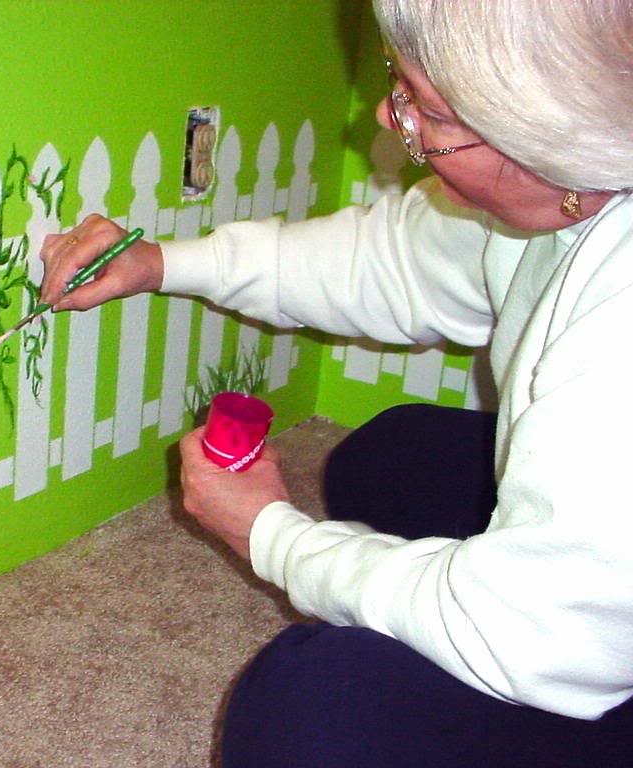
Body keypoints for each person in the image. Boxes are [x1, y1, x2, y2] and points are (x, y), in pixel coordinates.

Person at [39, 1, 633, 765]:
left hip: (580, 647)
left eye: (429, 112)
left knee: (312, 704)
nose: (387, 116)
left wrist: (272, 537)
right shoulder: (569, 191)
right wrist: (161, 263)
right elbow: (388, 263)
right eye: (401, 84)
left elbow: (535, 635)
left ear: (545, 133)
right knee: (385, 461)